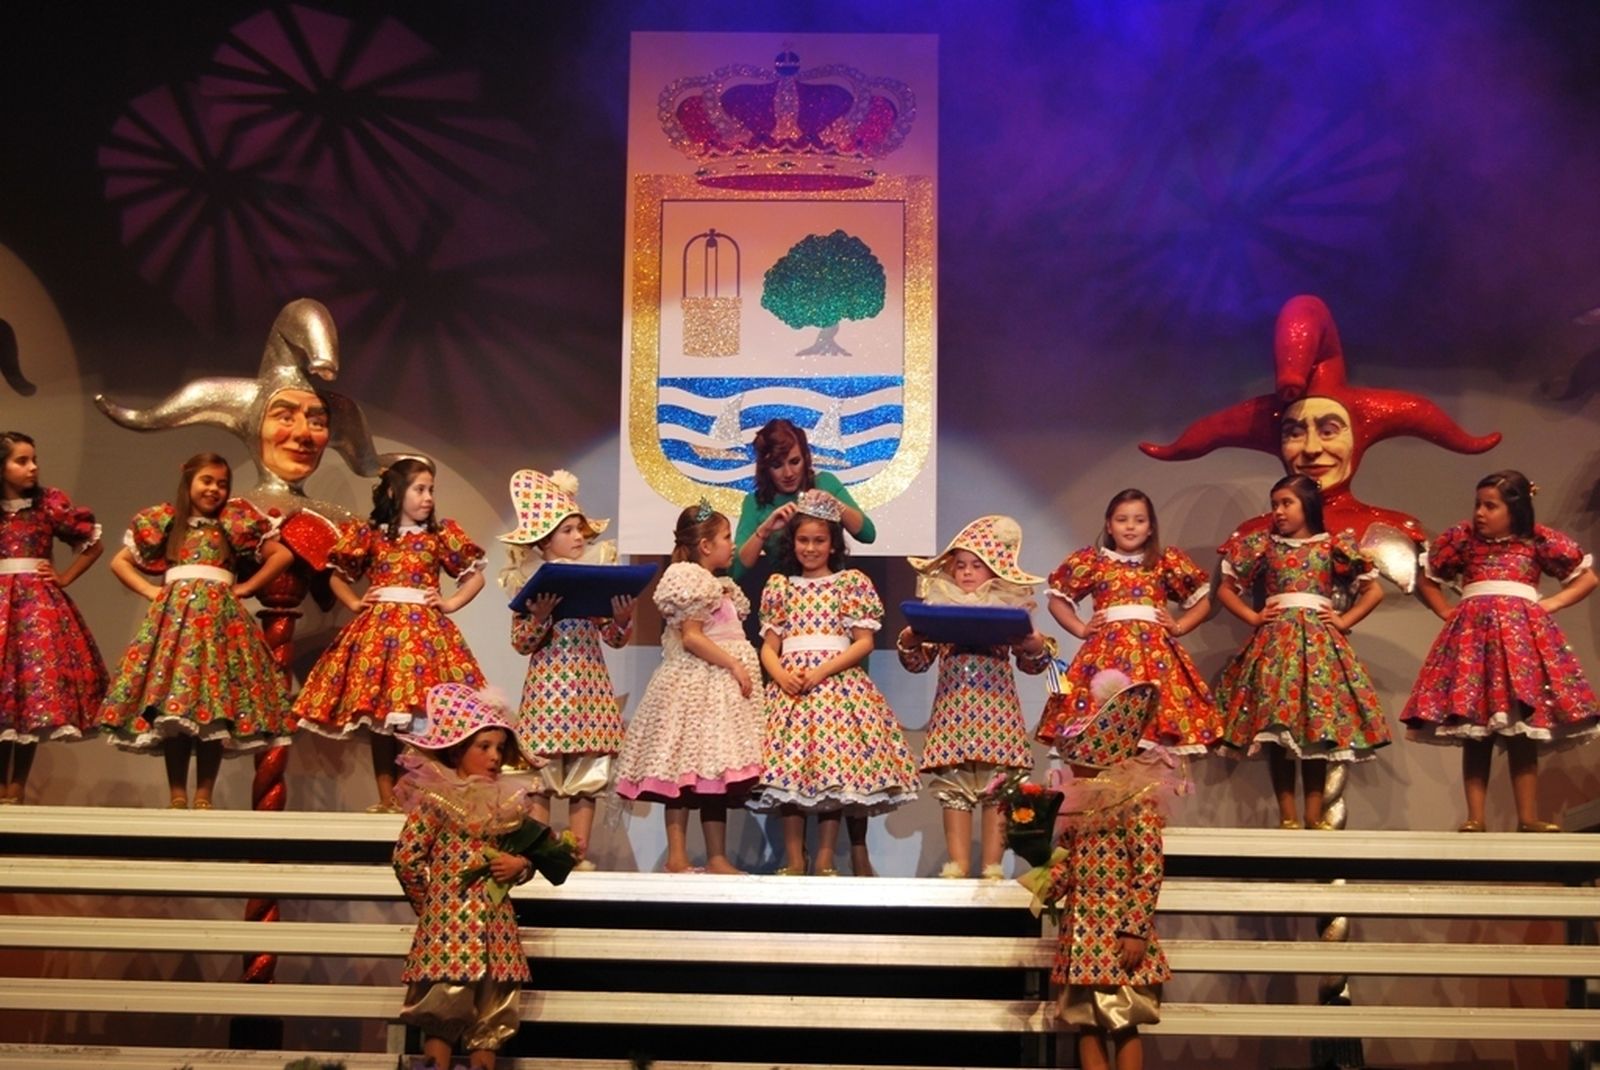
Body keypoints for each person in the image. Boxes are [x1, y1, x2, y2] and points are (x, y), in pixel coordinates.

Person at [1402, 470, 1599, 831]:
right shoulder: (1462, 538)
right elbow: (1428, 576)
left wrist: (1550, 604)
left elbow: (1587, 577)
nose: (1480, 513)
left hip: (1521, 642)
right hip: (1473, 641)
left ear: (1515, 509)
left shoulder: (1537, 540)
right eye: (1478, 504)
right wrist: (1446, 611)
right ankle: (1475, 817)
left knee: (1521, 730)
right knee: (1476, 728)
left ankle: (1527, 817)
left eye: (1490, 506)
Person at [99, 453, 293, 807]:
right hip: (176, 625)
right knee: (175, 709)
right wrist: (153, 592)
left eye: (222, 484)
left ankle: (204, 794)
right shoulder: (167, 522)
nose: (214, 489)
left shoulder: (234, 522)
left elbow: (281, 555)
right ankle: (177, 794)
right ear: (188, 482)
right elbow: (119, 562)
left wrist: (246, 588)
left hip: (219, 624)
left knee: (214, 708)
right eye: (207, 481)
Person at [294, 458, 487, 811]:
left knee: (420, 719)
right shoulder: (371, 535)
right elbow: (337, 574)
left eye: (431, 490)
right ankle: (387, 798)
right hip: (380, 635)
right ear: (395, 492)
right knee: (381, 717)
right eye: (419, 489)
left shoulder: (438, 535)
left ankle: (415, 795)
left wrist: (449, 603)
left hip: (423, 636)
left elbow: (474, 576)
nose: (427, 497)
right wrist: (354, 602)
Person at [732, 417, 880, 874]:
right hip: (790, 645)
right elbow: (738, 569)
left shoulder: (826, 486)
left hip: (835, 654)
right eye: (777, 465)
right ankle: (794, 859)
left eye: (795, 461)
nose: (788, 472)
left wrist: (831, 504)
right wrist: (769, 527)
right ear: (765, 467)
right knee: (792, 761)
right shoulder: (757, 503)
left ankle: (845, 854)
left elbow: (867, 532)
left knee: (844, 754)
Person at [755, 491, 918, 875]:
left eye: (819, 540)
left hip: (834, 687)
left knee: (834, 774)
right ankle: (795, 858)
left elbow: (863, 641)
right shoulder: (781, 586)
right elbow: (768, 646)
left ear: (832, 544)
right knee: (788, 772)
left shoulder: (850, 583)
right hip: (790, 688)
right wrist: (779, 674)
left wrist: (822, 670)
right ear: (793, 542)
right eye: (803, 540)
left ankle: (826, 859)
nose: (810, 548)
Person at [1213, 475, 1389, 828]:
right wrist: (1253, 615)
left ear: (1307, 506)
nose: (1278, 511)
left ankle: (1312, 815)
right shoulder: (1265, 546)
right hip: (1277, 645)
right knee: (1278, 730)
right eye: (1275, 503)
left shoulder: (1331, 547)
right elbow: (1226, 589)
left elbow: (1374, 591)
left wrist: (1342, 620)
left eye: (1286, 503)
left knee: (1316, 731)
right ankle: (1288, 816)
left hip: (1319, 648)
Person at [392, 683, 545, 1070]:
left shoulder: (507, 804)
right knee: (442, 1015)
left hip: (496, 930)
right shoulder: (437, 798)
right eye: (484, 747)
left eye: (499, 748)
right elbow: (407, 858)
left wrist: (520, 867)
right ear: (458, 749)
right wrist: (432, 908)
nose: (495, 757)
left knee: (490, 1017)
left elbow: (526, 856)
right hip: (448, 929)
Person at [1036, 671, 1180, 1070]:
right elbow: (1068, 864)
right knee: (1087, 1022)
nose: (1073, 770)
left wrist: (1135, 928)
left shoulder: (1134, 802)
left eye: (1078, 760)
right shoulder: (1077, 809)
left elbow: (1149, 869)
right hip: (1082, 932)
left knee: (1123, 1019)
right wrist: (1045, 881)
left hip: (1117, 929)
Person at [613, 502, 764, 873]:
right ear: (706, 546)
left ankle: (716, 857)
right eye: (727, 537)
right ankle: (677, 858)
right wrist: (733, 664)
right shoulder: (687, 578)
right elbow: (693, 637)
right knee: (679, 772)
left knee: (714, 773)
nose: (733, 545)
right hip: (693, 686)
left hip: (718, 694)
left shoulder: (722, 586)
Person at [899, 515, 1051, 878]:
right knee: (954, 785)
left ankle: (992, 868)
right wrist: (910, 641)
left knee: (998, 786)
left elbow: (1033, 665)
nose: (966, 573)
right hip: (954, 711)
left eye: (976, 566)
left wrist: (1033, 645)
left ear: (994, 570)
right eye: (960, 565)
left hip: (996, 711)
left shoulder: (1008, 607)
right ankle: (958, 865)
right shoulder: (939, 605)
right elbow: (919, 663)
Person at [498, 468, 633, 866]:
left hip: (589, 686)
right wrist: (539, 616)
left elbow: (614, 638)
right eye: (569, 530)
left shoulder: (595, 577)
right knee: (542, 777)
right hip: (548, 687)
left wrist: (620, 618)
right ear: (545, 540)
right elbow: (521, 643)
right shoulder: (528, 581)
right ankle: (543, 856)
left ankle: (576, 855)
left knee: (585, 777)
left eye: (579, 529)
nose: (578, 537)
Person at [1035, 489, 1219, 756]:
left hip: (1154, 658)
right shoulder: (1095, 563)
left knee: (1151, 728)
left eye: (1139, 520)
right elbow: (1058, 600)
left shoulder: (1163, 562)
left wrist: (1179, 626)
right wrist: (1081, 629)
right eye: (1122, 519)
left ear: (1150, 527)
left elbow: (1204, 598)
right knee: (1105, 727)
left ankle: (1143, 793)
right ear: (1109, 525)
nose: (1130, 526)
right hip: (1106, 657)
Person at [0, 431, 109, 804]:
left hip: (35, 607)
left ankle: (16, 789)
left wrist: (63, 578)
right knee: (3, 695)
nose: (33, 467)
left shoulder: (48, 504)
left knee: (32, 694)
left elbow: (92, 544)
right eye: (21, 460)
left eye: (34, 459)